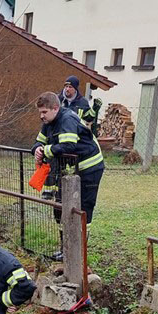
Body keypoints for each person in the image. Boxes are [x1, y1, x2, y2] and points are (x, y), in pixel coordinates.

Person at [32, 92, 105, 260]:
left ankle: (78, 253)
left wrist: (46, 150)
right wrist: (37, 149)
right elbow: (38, 142)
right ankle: (65, 249)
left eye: (44, 112)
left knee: (83, 209)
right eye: (40, 112)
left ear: (55, 108)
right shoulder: (49, 122)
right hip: (69, 171)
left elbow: (68, 145)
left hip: (90, 168)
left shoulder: (67, 119)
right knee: (60, 208)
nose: (41, 116)